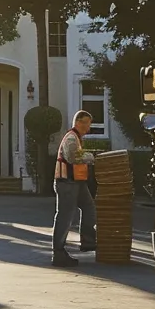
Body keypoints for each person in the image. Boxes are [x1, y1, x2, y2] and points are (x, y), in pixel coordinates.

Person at [51, 110, 98, 267]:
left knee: (89, 207)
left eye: (89, 124)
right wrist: (92, 157)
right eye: (86, 124)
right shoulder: (71, 138)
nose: (88, 128)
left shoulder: (76, 138)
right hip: (67, 183)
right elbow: (73, 157)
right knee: (65, 216)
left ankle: (88, 241)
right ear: (78, 122)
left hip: (76, 182)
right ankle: (58, 252)